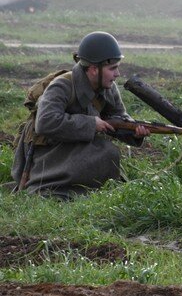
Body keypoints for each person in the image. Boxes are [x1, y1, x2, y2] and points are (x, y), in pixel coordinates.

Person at [10, 32, 150, 199]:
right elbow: (45, 122)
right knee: (104, 152)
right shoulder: (61, 85)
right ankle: (51, 187)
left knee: (106, 152)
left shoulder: (108, 87)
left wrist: (134, 131)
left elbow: (119, 119)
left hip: (76, 145)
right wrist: (91, 124)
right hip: (47, 149)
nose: (117, 74)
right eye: (112, 68)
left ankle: (88, 188)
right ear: (93, 69)